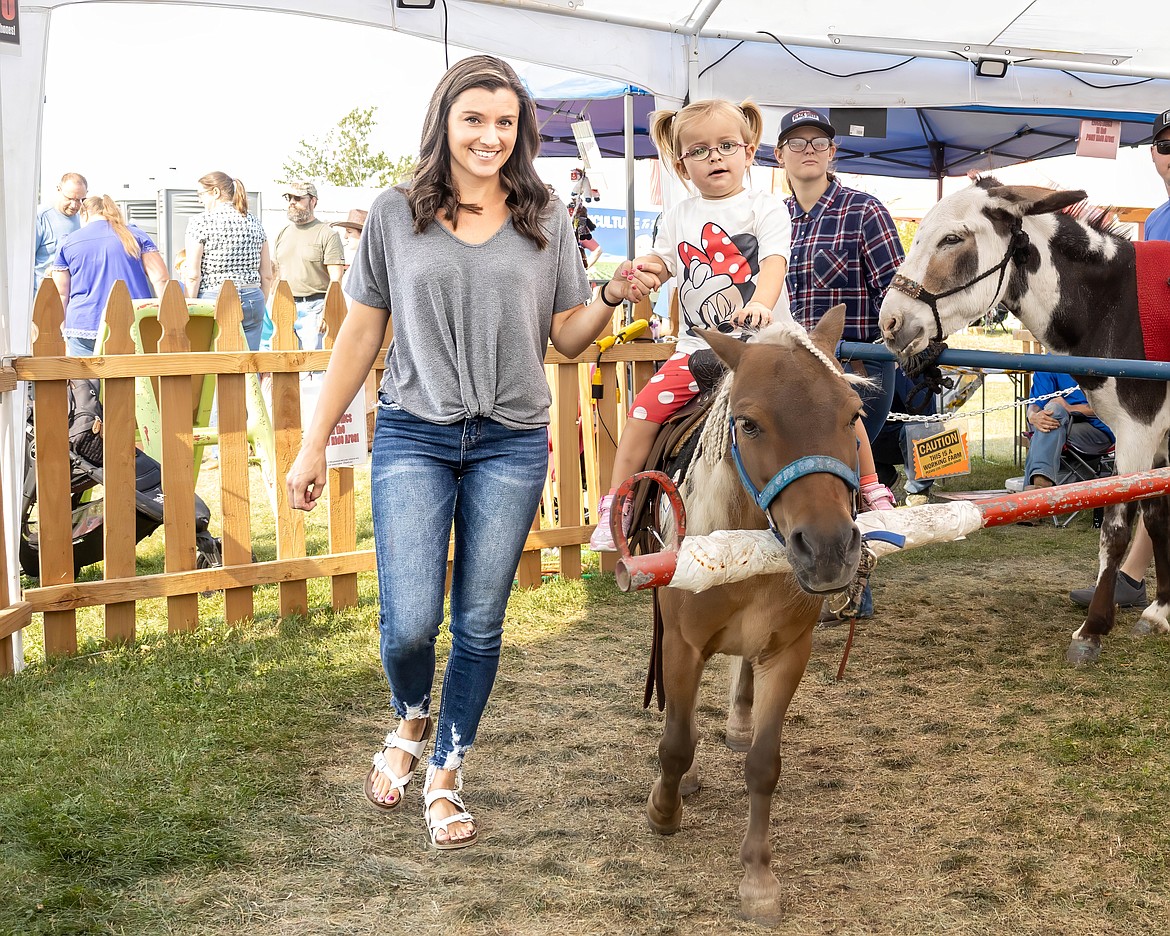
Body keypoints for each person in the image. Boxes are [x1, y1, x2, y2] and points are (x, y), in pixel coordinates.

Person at [284, 55, 657, 850]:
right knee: (410, 623)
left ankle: (447, 771)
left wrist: (610, 297)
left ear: (519, 132)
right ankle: (412, 717)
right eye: (474, 120)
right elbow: (360, 331)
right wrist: (314, 444)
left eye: (505, 123)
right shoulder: (394, 213)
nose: (490, 137)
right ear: (444, 123)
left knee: (481, 624)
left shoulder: (545, 216)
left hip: (512, 443)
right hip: (415, 432)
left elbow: (564, 339)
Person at [588, 98, 894, 552]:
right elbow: (665, 261)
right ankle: (619, 502)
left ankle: (869, 486)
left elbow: (773, 261)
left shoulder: (766, 207)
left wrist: (763, 306)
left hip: (771, 346)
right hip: (696, 348)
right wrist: (646, 270)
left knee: (836, 400)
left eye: (726, 145)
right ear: (680, 164)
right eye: (700, 150)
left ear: (749, 153)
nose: (715, 156)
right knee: (642, 414)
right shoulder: (676, 216)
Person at [776, 105, 904, 616]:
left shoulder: (864, 209)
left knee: (842, 476)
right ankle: (808, 580)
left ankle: (853, 589)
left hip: (856, 372)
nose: (808, 149)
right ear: (779, 154)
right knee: (802, 477)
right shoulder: (772, 219)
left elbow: (894, 297)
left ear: (833, 152)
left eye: (817, 142)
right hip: (789, 377)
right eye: (797, 142)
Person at [1068, 106, 1170, 609]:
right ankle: (1131, 578)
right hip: (1159, 363)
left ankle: (1129, 578)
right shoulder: (1156, 219)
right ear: (1154, 155)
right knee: (1155, 469)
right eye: (1167, 144)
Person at [52, 195, 169, 356]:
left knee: (85, 378)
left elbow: (61, 292)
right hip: (134, 320)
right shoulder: (136, 235)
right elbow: (161, 279)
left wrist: (62, 326)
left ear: (84, 214)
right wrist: (168, 317)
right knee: (131, 377)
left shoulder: (68, 242)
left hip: (83, 322)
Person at [182, 172, 274, 351]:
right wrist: (260, 300)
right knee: (249, 364)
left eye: (201, 195)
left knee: (214, 366)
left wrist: (188, 307)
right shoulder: (255, 223)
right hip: (252, 298)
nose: (200, 201)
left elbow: (193, 275)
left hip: (213, 298)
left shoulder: (200, 222)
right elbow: (267, 275)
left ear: (215, 192)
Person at [272, 181, 345, 349]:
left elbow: (336, 278)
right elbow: (276, 273)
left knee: (315, 369)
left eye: (298, 198)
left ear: (313, 201)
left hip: (316, 307)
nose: (292, 202)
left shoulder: (328, 234)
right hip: (285, 306)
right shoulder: (282, 233)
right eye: (289, 198)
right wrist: (272, 305)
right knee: (286, 366)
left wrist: (329, 312)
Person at [1022, 370, 1113, 490]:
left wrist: (1070, 408)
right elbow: (1035, 403)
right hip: (1060, 426)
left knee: (1048, 424)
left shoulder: (1098, 358)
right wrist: (1033, 416)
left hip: (1099, 428)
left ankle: (1038, 486)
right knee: (1053, 411)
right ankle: (1040, 483)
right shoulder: (1050, 362)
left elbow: (1112, 406)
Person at [34, 172, 88, 287]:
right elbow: (24, 260)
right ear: (59, 189)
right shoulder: (40, 217)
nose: (74, 205)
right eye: (69, 198)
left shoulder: (84, 220)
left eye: (79, 200)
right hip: (42, 293)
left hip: (71, 293)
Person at [329, 208, 368, 287]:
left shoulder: (366, 264)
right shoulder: (359, 261)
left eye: (349, 232)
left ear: (363, 234)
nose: (345, 236)